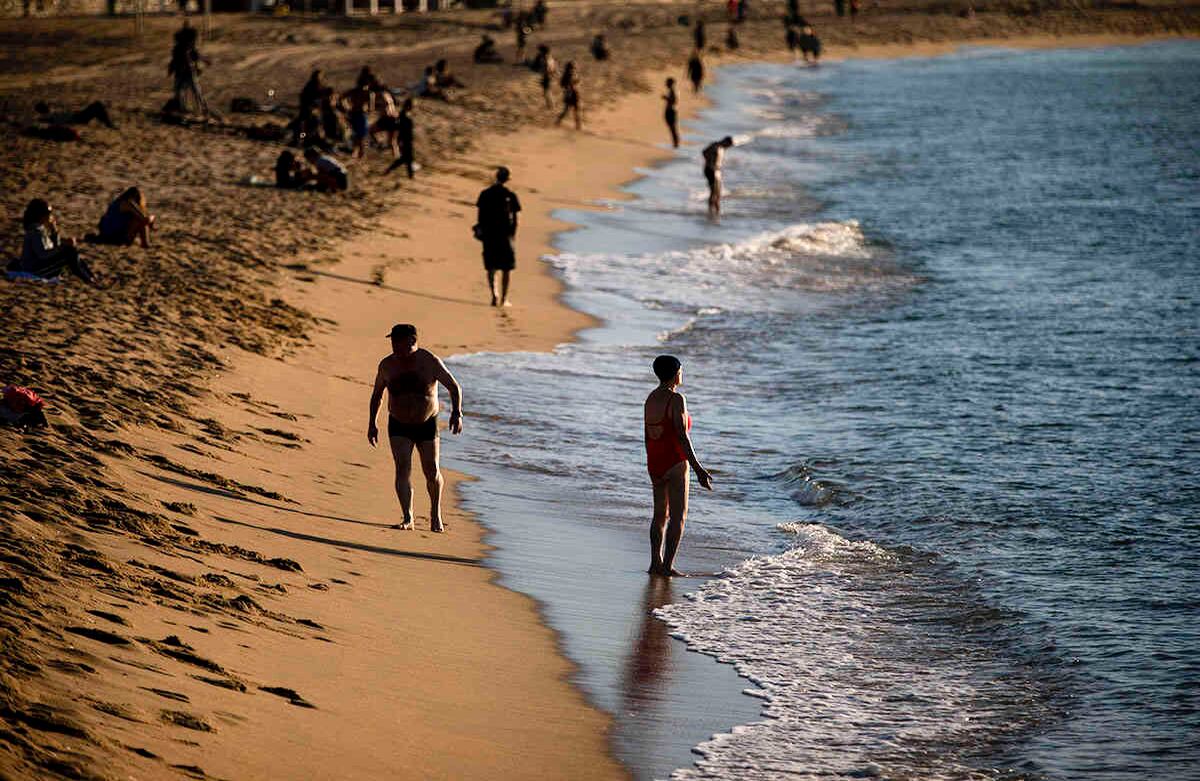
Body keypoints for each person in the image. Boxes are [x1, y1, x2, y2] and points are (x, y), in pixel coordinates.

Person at [367, 323, 463, 533]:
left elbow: (454, 387)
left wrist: (457, 413)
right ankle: (408, 517)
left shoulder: (429, 362)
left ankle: (435, 513)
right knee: (402, 469)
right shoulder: (387, 365)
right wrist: (372, 423)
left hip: (426, 423)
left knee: (432, 471)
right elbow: (377, 395)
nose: (393, 345)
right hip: (398, 423)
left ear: (412, 340)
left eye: (397, 341)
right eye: (392, 341)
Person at [644, 355, 712, 577]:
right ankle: (667, 566)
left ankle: (655, 562)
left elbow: (649, 435)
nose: (682, 373)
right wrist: (698, 468)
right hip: (674, 461)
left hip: (655, 462)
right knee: (678, 516)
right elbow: (682, 436)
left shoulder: (651, 398)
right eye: (681, 370)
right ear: (675, 373)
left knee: (659, 515)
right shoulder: (676, 399)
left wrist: (652, 464)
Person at [17, 199, 98, 285]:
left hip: (38, 266)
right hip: (34, 269)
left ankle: (90, 276)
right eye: (49, 213)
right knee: (69, 252)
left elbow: (53, 247)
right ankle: (87, 278)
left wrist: (54, 231)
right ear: (41, 215)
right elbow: (43, 254)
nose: (51, 216)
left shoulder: (41, 229)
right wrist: (62, 248)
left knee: (71, 251)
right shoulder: (35, 231)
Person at [475, 167, 521, 307]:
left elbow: (480, 215)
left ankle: (494, 295)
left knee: (491, 266)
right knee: (506, 268)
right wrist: (513, 235)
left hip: (489, 233)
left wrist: (481, 230)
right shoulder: (510, 195)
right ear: (507, 179)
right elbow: (515, 219)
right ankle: (504, 298)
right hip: (505, 234)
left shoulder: (485, 194)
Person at [87, 187, 156, 248]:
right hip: (114, 236)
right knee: (139, 220)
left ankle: (145, 244)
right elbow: (145, 219)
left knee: (138, 218)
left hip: (106, 233)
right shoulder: (128, 203)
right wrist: (152, 217)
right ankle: (145, 244)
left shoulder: (117, 202)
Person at [168, 23, 208, 116]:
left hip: (187, 73)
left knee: (193, 91)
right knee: (183, 91)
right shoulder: (180, 49)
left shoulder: (188, 49)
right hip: (183, 73)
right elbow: (174, 61)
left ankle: (201, 108)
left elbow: (196, 56)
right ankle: (185, 108)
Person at [703, 136, 734, 218]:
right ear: (725, 142)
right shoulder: (715, 146)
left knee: (718, 192)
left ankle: (717, 211)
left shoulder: (721, 147)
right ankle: (710, 211)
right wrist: (710, 161)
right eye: (729, 145)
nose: (728, 147)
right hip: (711, 170)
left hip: (716, 171)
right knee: (713, 191)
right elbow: (704, 152)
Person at [385, 98, 416, 178]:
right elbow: (399, 129)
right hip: (405, 140)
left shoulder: (404, 115)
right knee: (407, 158)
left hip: (406, 140)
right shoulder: (403, 116)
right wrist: (398, 140)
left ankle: (410, 175)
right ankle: (410, 176)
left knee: (406, 158)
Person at [34, 100, 115, 129]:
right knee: (97, 105)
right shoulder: (47, 116)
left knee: (97, 107)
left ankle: (106, 122)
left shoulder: (50, 113)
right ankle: (107, 123)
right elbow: (47, 122)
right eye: (45, 106)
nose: (47, 106)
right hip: (77, 118)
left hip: (77, 115)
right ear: (43, 109)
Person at [555, 61, 581, 130]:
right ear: (568, 68)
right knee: (567, 110)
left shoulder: (574, 74)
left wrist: (574, 84)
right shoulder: (566, 76)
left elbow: (577, 82)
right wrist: (569, 87)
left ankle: (578, 126)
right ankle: (558, 121)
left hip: (574, 94)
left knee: (576, 110)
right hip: (570, 95)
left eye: (574, 68)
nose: (573, 70)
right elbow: (562, 84)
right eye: (572, 68)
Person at [663, 77, 680, 148]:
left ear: (671, 84)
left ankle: (676, 143)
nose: (666, 84)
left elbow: (674, 101)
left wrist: (666, 98)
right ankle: (675, 142)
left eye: (667, 83)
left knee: (672, 127)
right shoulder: (672, 91)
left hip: (671, 111)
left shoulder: (673, 91)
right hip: (671, 110)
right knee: (672, 127)